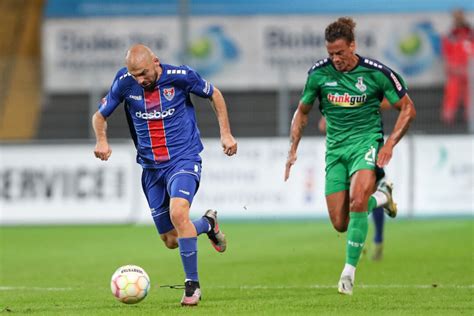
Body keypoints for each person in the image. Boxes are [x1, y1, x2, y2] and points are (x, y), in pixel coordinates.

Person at [92, 44, 237, 306]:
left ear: (156, 62)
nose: (140, 80)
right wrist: (101, 141)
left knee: (179, 213)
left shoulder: (180, 76)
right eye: (134, 75)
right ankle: (208, 224)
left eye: (144, 73)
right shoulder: (125, 83)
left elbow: (214, 94)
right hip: (150, 168)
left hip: (183, 159)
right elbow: (99, 116)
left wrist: (225, 133)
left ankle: (192, 286)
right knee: (171, 239)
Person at [284, 17, 416, 295]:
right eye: (330, 53)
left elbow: (407, 108)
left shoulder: (377, 73)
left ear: (353, 46)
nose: (335, 59)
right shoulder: (318, 74)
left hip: (365, 144)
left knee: (357, 200)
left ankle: (348, 273)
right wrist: (292, 148)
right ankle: (382, 198)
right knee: (340, 223)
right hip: (335, 151)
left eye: (340, 53)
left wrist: (389, 143)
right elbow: (303, 111)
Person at [318, 99, 392, 262]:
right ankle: (361, 232)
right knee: (351, 201)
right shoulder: (336, 80)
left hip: (367, 139)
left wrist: (360, 106)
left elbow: (391, 101)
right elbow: (325, 120)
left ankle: (378, 238)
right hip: (345, 146)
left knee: (367, 190)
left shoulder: (373, 75)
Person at [441, 9, 473, 125]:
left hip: (469, 72)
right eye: (456, 17)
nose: (458, 19)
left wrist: (468, 68)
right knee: (451, 96)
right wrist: (452, 67)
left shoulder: (470, 33)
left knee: (470, 97)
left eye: (460, 16)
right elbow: (446, 53)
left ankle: (470, 121)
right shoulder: (450, 35)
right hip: (455, 72)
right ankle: (448, 122)